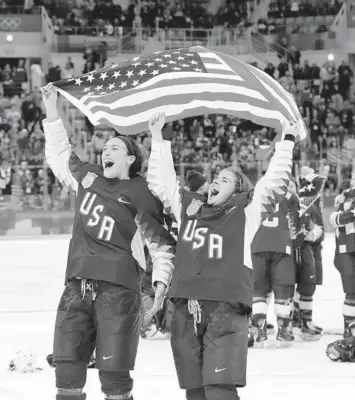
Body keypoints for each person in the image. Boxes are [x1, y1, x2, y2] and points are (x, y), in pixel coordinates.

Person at [147, 112, 299, 400]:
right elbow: (162, 183)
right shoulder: (189, 208)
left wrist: (287, 141)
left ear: (238, 191)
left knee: (220, 391)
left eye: (225, 180)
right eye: (216, 178)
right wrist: (158, 140)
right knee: (194, 392)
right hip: (184, 309)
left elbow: (273, 181)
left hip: (225, 310)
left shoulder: (245, 212)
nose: (215, 182)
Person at [41, 84, 176, 400]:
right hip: (76, 287)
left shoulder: (141, 193)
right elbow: (59, 153)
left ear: (130, 159)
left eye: (115, 148)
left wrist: (160, 283)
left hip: (119, 292)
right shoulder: (88, 178)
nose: (106, 150)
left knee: (114, 377)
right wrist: (51, 109)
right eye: (106, 147)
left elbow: (162, 245)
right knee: (66, 371)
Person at [250, 179, 300, 347]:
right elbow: (296, 228)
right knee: (283, 290)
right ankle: (283, 332)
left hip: (257, 245)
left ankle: (259, 332)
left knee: (258, 291)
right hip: (281, 245)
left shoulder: (254, 195)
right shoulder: (290, 196)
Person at [329, 181, 355, 339]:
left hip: (346, 251)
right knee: (352, 292)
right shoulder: (341, 204)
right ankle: (349, 328)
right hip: (345, 251)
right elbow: (336, 219)